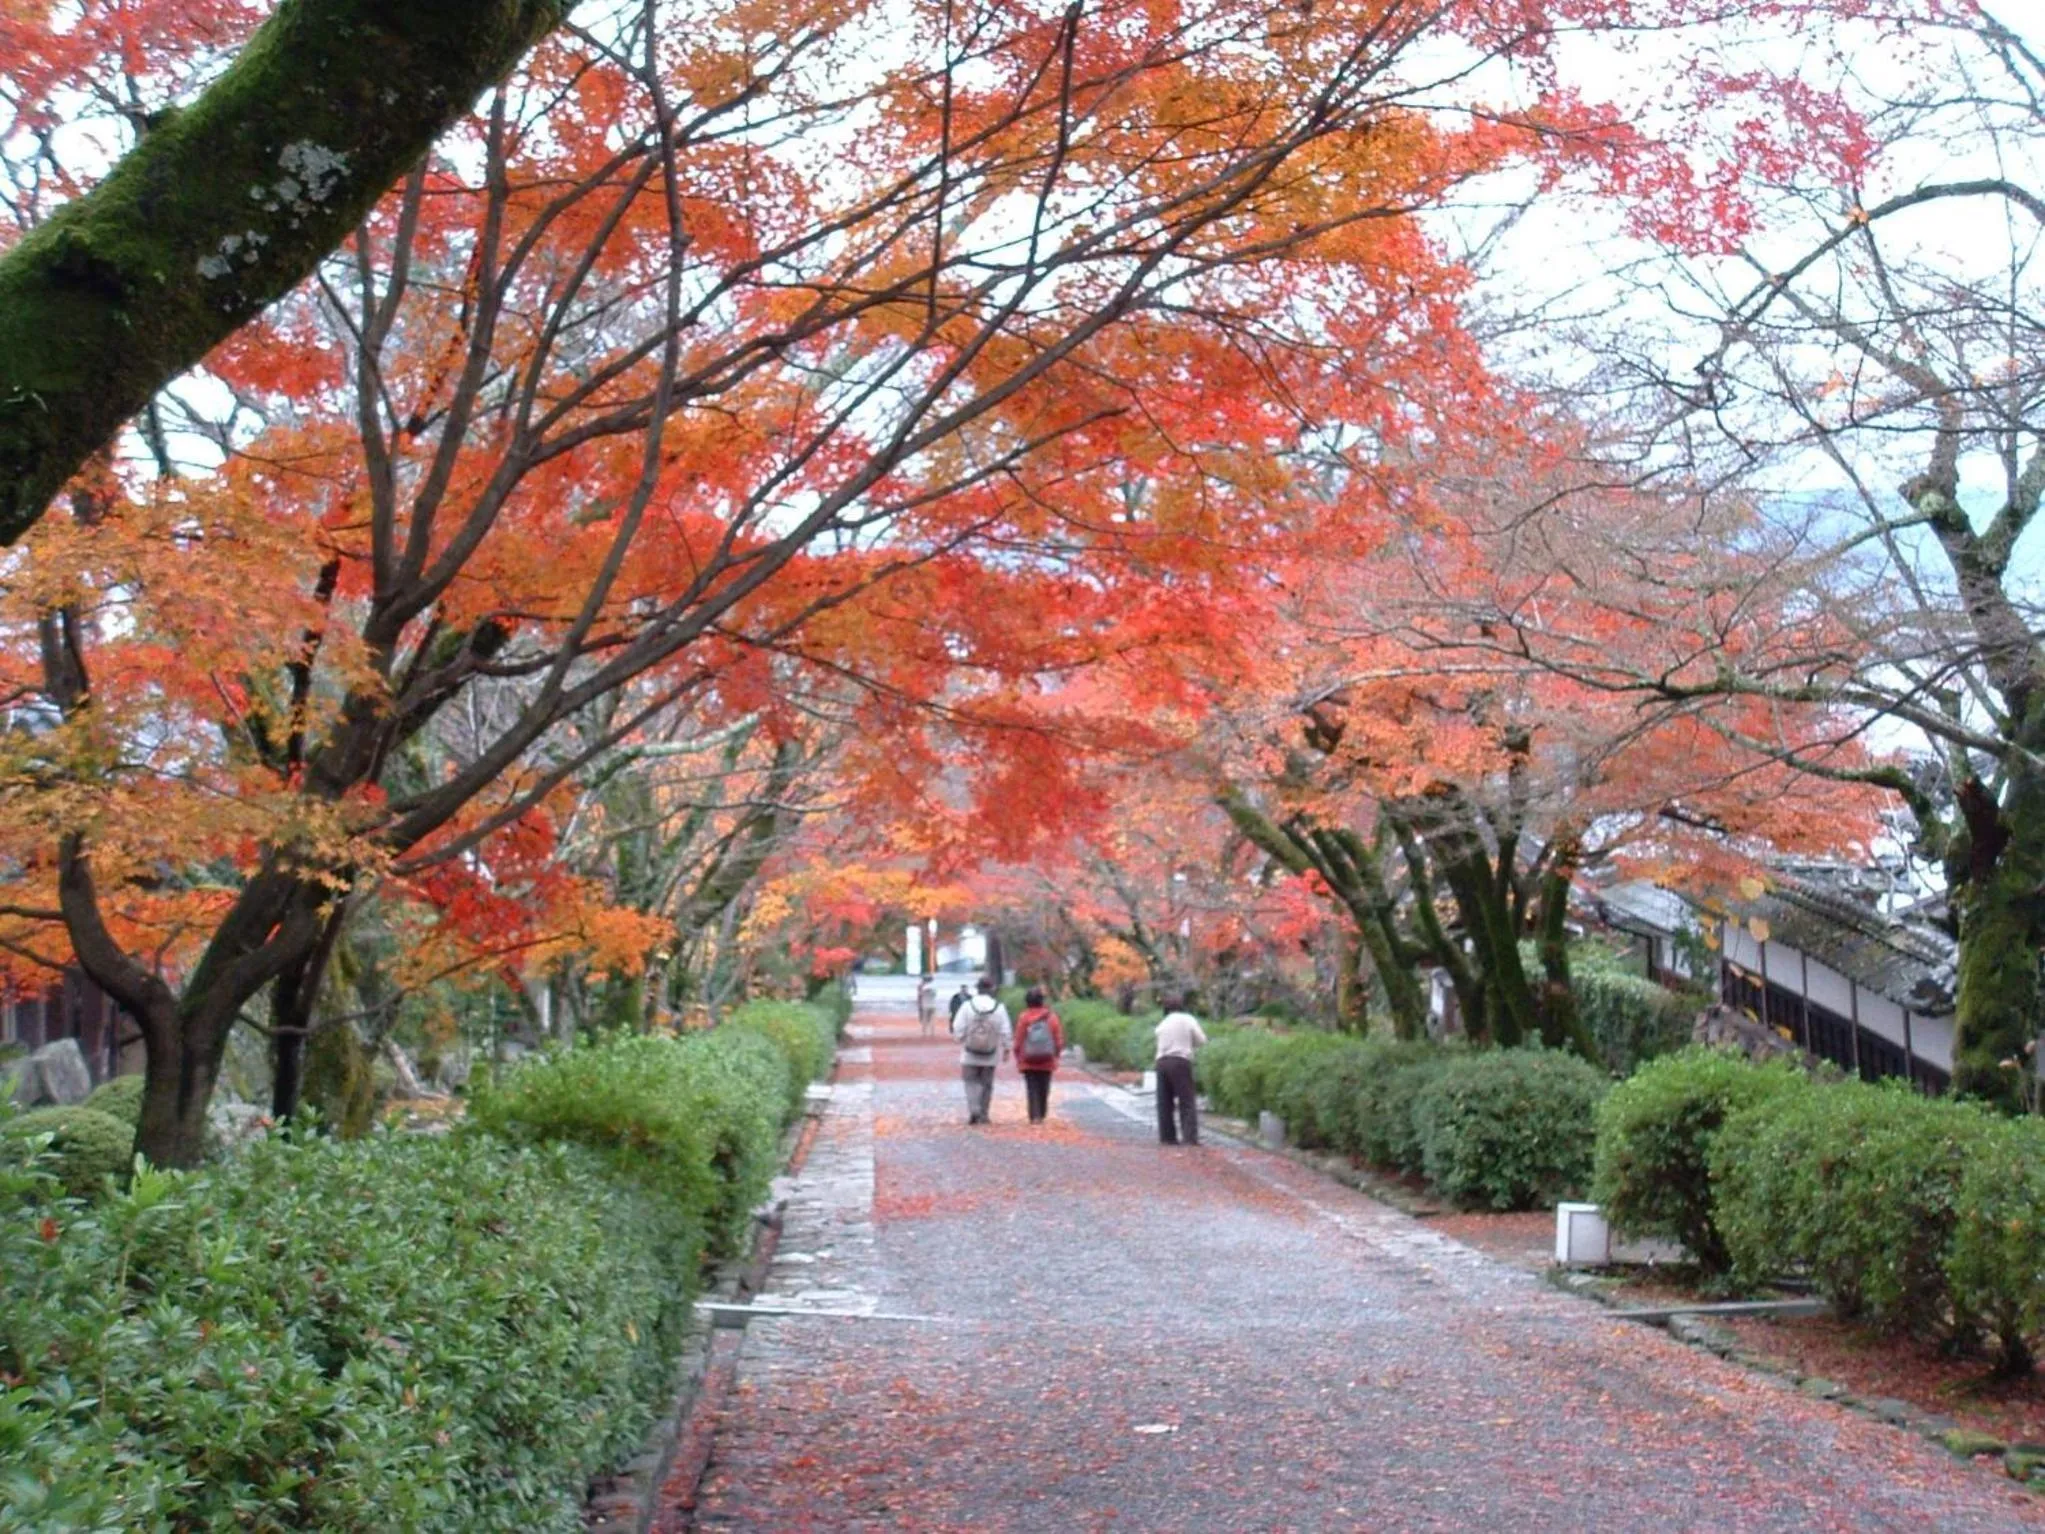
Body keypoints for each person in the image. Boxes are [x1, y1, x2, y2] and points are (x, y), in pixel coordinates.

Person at [950, 976, 1012, 1125]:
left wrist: (960, 1038)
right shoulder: (999, 1008)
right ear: (992, 989)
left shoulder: (967, 1006)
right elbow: (1006, 1030)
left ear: (977, 989)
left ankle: (974, 1109)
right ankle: (984, 1113)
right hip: (990, 1053)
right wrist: (1006, 1047)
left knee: (970, 1082)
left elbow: (957, 1028)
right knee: (987, 1084)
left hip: (970, 1052)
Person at [1153, 992, 1208, 1146]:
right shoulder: (1188, 1019)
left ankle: (1167, 1137)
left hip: (1161, 1062)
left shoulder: (1163, 1023)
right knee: (1186, 1100)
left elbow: (1158, 1038)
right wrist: (1190, 1044)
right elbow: (1201, 1040)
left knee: (1164, 1101)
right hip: (1180, 1060)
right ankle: (1189, 1138)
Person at [1011, 987, 1065, 1124]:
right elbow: (1058, 1040)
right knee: (1044, 1087)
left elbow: (1018, 1040)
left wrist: (1018, 1057)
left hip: (1028, 1060)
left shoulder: (1024, 1017)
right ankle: (1042, 1113)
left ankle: (1034, 1115)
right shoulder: (1052, 1018)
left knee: (1032, 1088)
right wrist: (1056, 1055)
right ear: (1042, 1001)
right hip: (1047, 1059)